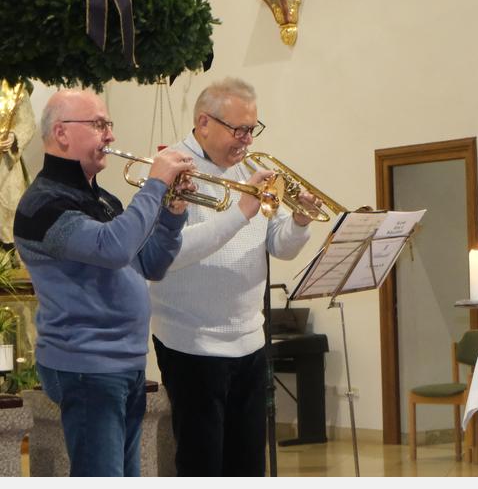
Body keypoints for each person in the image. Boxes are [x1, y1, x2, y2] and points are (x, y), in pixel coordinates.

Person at [12, 89, 194, 476]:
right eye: (98, 125)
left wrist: (173, 213)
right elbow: (112, 248)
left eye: (108, 124)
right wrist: (155, 185)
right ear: (61, 133)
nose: (110, 136)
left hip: (123, 362)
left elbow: (150, 262)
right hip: (86, 365)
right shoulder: (43, 204)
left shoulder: (104, 199)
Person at [149, 77, 316, 476]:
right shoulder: (170, 168)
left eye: (251, 129)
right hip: (192, 343)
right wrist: (240, 211)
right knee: (203, 464)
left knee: (247, 465)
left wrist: (299, 221)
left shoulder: (253, 169)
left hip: (249, 340)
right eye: (238, 130)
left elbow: (279, 246)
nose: (246, 141)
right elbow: (169, 255)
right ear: (204, 123)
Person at [0, 80, 37, 257]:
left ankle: (10, 261)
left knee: (10, 207)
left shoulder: (15, 85)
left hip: (6, 162)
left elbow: (27, 121)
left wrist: (15, 137)